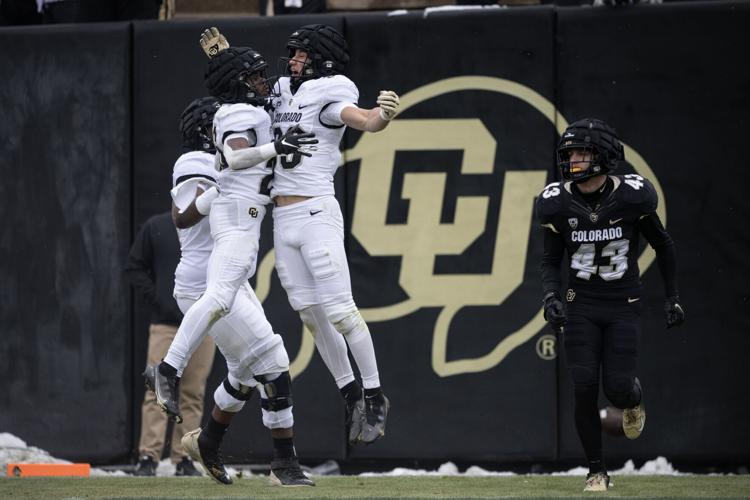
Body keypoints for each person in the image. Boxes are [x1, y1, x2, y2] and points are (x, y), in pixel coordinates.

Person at [165, 95, 313, 487]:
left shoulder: (228, 156)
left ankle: (209, 441)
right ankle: (284, 463)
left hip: (229, 274)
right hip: (204, 280)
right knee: (272, 358)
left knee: (244, 371)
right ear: (206, 129)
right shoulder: (195, 161)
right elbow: (183, 217)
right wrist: (221, 187)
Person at [535, 118, 685, 492]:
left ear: (603, 155)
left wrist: (672, 297)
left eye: (582, 153)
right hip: (581, 301)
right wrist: (552, 296)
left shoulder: (633, 197)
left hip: (623, 302)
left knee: (617, 387)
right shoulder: (557, 203)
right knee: (584, 385)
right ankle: (596, 471)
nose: (574, 161)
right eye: (570, 154)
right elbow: (550, 260)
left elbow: (663, 245)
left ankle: (633, 400)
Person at [268, 24, 400, 445]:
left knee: (341, 310)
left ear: (321, 59)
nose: (292, 61)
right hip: (282, 218)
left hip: (315, 211)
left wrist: (383, 115)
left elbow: (361, 119)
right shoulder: (284, 89)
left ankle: (376, 393)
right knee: (309, 313)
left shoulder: (330, 89)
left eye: (300, 55)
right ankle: (351, 393)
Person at [125, 211, 212, 477]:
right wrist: (159, 300)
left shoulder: (212, 224)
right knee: (156, 390)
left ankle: (183, 457)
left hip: (203, 324)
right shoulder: (157, 226)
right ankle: (147, 456)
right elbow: (134, 267)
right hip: (166, 324)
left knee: (193, 392)